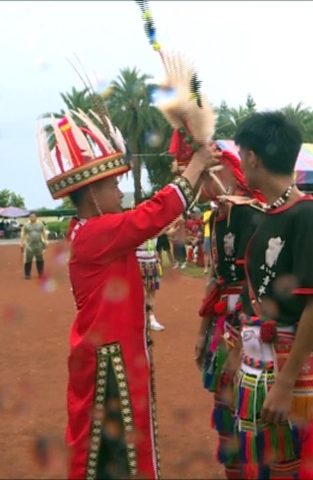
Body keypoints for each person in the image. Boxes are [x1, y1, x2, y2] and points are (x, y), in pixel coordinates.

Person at [36, 107, 216, 479]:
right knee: (114, 452)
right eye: (113, 185)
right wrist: (196, 165)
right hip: (109, 359)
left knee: (116, 447)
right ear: (93, 194)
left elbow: (159, 213)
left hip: (112, 352)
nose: (119, 191)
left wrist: (193, 171)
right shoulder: (95, 233)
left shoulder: (91, 230)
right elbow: (152, 214)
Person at [233, 111, 313, 479]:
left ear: (252, 158)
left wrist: (285, 382)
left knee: (285, 465)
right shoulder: (271, 212)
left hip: (284, 366)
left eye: (241, 153)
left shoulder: (304, 215)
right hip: (261, 360)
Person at [193, 143, 265, 479]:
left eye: (213, 171)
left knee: (251, 412)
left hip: (252, 328)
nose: (205, 179)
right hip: (224, 327)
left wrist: (242, 343)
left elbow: (257, 287)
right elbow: (214, 279)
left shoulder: (251, 216)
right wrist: (201, 332)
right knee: (225, 410)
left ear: (232, 176)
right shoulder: (216, 218)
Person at [137, 234, 165, 332]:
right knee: (140, 292)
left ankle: (151, 318)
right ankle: (141, 318)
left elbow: (168, 233)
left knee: (152, 291)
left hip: (152, 260)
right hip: (138, 262)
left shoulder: (154, 225)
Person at [20, 212, 48, 279]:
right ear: (29, 218)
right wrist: (21, 242)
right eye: (31, 217)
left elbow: (43, 232)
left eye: (33, 216)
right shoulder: (26, 225)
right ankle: (27, 274)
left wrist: (46, 241)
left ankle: (41, 273)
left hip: (38, 244)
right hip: (29, 245)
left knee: (40, 259)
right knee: (28, 260)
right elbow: (23, 233)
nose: (32, 218)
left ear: (36, 217)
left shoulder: (40, 224)